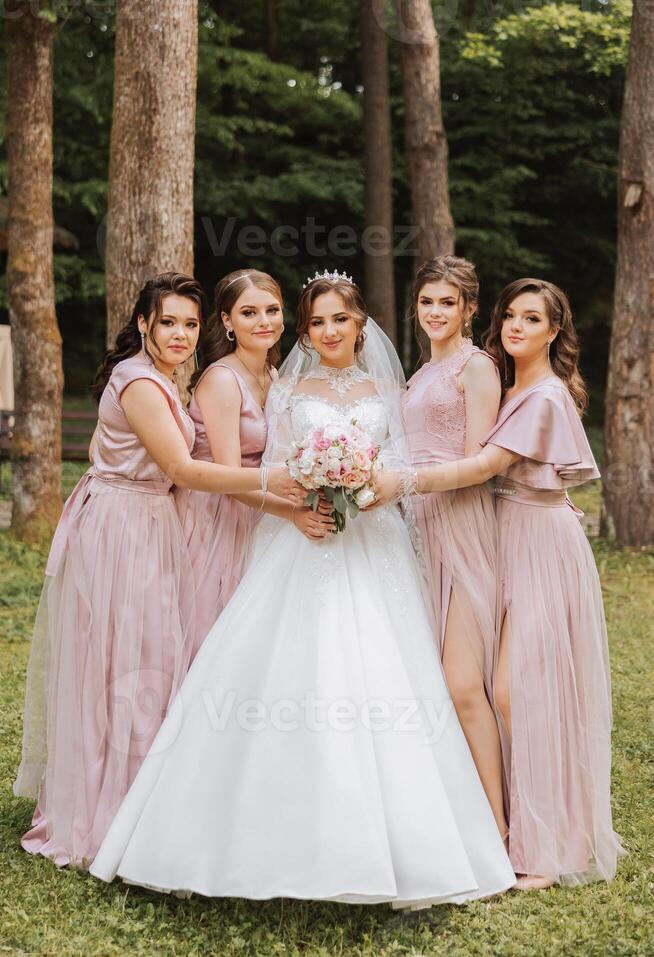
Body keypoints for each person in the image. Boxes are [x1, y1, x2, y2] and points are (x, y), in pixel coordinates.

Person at [89, 272, 515, 906]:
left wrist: (369, 489)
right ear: (305, 332)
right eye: (317, 322)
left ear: (361, 325)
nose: (328, 331)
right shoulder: (287, 389)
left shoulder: (387, 389)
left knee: (389, 675)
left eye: (339, 319)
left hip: (373, 541)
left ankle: (420, 841)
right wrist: (309, 495)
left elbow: (398, 461)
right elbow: (264, 467)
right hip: (298, 538)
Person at [14, 272, 303, 869]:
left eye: (188, 324)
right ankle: (107, 810)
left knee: (151, 658)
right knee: (127, 662)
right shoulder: (138, 382)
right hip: (122, 525)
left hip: (154, 521)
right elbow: (185, 467)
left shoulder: (171, 380)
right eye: (167, 321)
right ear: (143, 323)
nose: (179, 333)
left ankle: (146, 798)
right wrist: (283, 487)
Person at [375, 278, 624, 888]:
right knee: (504, 687)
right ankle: (509, 828)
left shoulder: (542, 397)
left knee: (519, 692)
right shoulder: (514, 386)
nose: (516, 327)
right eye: (512, 316)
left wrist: (398, 483)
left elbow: (486, 465)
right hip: (505, 534)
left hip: (541, 541)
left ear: (555, 331)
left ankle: (551, 845)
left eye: (531, 319)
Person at [177, 269, 334, 657]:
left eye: (272, 310)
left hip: (257, 511)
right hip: (215, 516)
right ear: (227, 321)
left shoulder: (272, 373)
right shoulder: (221, 380)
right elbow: (230, 478)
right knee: (211, 633)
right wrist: (292, 514)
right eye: (249, 313)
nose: (264, 322)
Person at [401, 255, 505, 836]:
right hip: (413, 527)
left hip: (460, 525)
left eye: (447, 302)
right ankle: (453, 812)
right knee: (427, 676)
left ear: (469, 309)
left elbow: (477, 466)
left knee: (464, 683)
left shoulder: (477, 367)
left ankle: (498, 826)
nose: (435, 312)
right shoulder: (419, 374)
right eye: (426, 302)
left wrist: (407, 482)